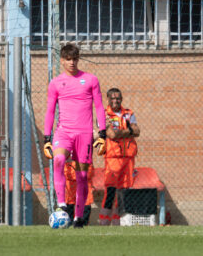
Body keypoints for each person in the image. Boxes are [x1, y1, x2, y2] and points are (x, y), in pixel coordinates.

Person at [43, 43, 106, 228]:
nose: (72, 63)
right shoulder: (55, 83)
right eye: (68, 59)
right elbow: (49, 111)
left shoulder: (91, 79)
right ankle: (62, 204)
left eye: (74, 59)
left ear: (78, 59)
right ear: (62, 61)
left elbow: (99, 106)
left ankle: (78, 217)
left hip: (84, 134)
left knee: (81, 176)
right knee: (58, 160)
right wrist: (47, 138)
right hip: (64, 131)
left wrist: (102, 134)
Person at [98, 88, 140, 226]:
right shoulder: (103, 115)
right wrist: (129, 131)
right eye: (112, 98)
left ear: (121, 99)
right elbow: (111, 134)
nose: (115, 101)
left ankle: (117, 223)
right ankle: (104, 223)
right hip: (113, 158)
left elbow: (137, 131)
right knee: (110, 191)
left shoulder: (128, 113)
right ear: (108, 99)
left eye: (118, 98)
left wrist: (122, 132)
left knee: (123, 191)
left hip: (128, 158)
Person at [64, 160, 94, 226]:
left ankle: (83, 223)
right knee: (70, 201)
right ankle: (70, 223)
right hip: (71, 173)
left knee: (86, 200)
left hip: (84, 171)